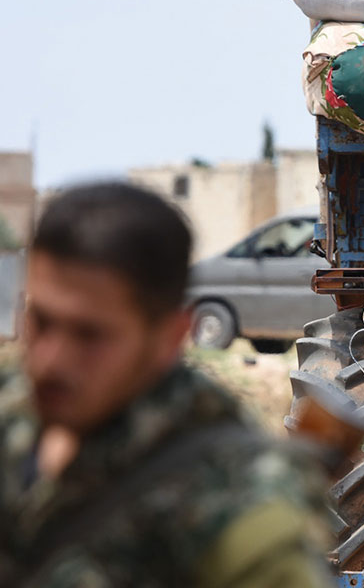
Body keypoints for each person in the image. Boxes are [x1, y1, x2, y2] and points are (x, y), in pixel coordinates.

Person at [0, 182, 334, 588]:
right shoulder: (11, 410)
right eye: (42, 322)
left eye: (90, 336)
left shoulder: (236, 496)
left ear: (169, 338)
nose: (51, 361)